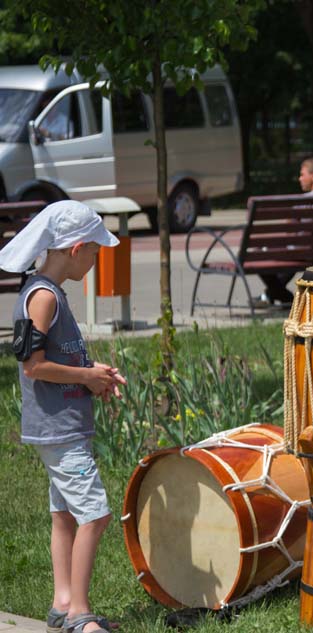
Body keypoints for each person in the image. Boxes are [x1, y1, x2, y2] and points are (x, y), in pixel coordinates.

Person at [0, 201, 127, 633]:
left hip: (61, 428)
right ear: (75, 249)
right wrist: (86, 376)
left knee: (65, 515)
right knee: (96, 515)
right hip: (60, 432)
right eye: (94, 251)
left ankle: (62, 602)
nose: (95, 260)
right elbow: (32, 366)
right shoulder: (41, 297)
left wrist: (95, 376)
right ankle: (79, 614)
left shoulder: (47, 293)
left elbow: (51, 359)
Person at [258, 156, 313, 306]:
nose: (299, 178)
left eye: (302, 174)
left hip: (304, 251)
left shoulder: (303, 201)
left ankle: (288, 300)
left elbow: (291, 233)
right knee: (294, 253)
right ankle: (271, 295)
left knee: (260, 254)